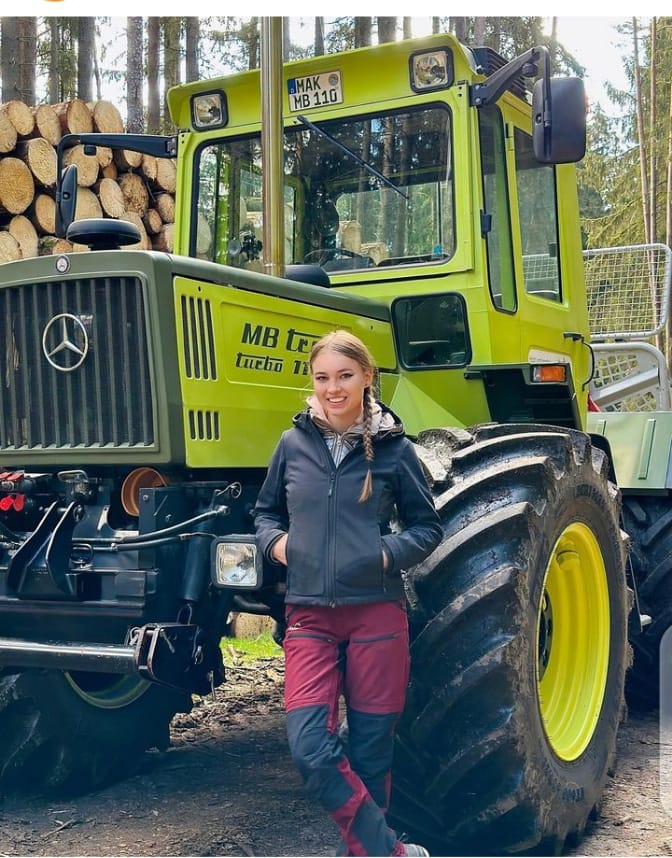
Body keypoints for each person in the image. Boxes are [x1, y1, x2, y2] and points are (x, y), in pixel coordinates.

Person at [254, 330, 443, 857]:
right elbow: (265, 513)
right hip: (309, 615)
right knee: (311, 749)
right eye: (322, 378)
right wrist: (279, 546)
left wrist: (381, 554)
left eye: (344, 376)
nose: (332, 388)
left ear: (366, 377)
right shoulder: (292, 445)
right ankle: (392, 853)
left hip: (377, 615)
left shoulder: (396, 450)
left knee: (371, 752)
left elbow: (427, 528)